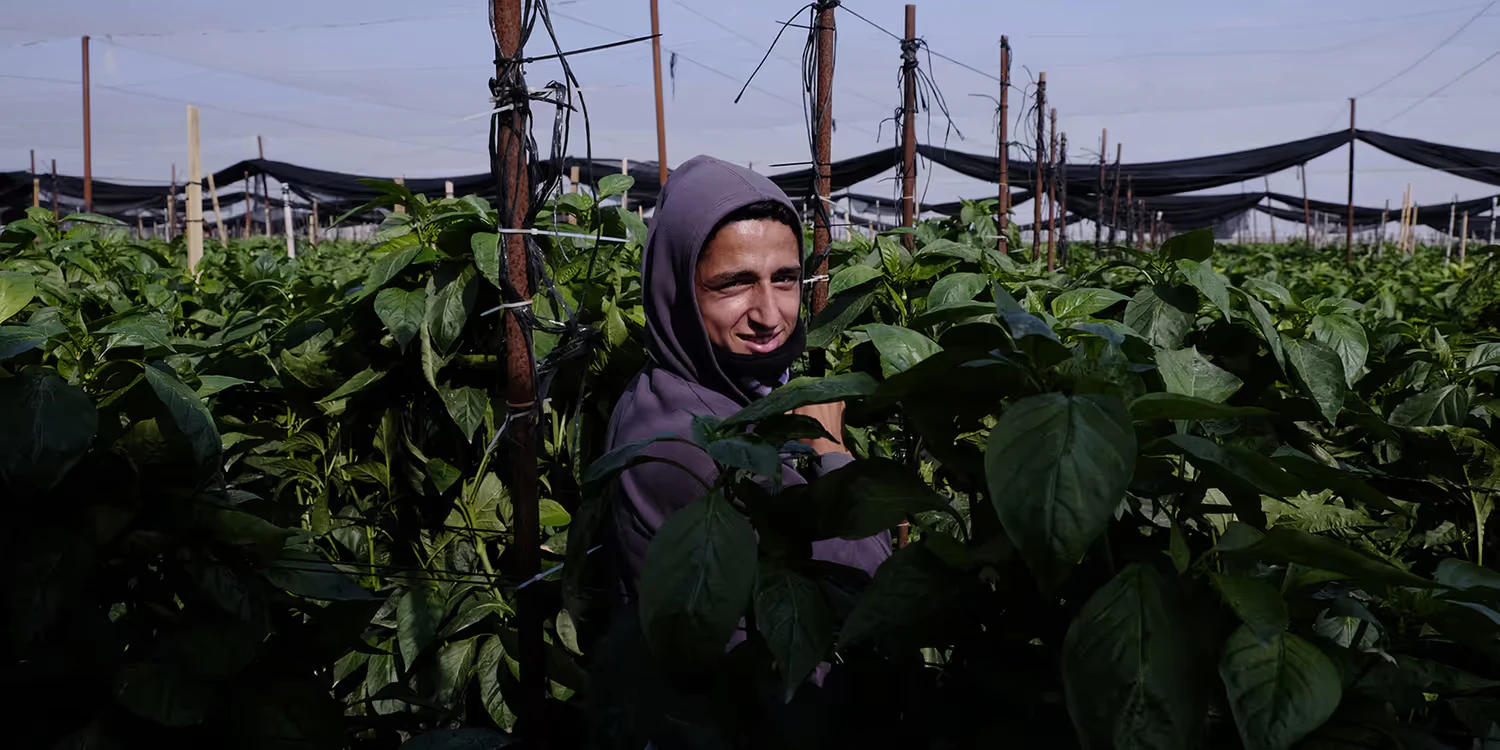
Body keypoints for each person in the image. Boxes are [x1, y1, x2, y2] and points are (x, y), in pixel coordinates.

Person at [601, 155, 891, 608]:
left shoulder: (671, 390)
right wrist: (831, 450)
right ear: (677, 292)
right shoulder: (700, 448)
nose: (769, 315)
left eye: (785, 279)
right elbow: (871, 582)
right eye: (733, 284)